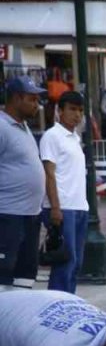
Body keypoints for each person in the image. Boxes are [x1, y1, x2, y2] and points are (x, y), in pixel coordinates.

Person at [39, 92, 90, 294]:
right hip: (62, 208)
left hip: (79, 207)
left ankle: (69, 304)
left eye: (80, 110)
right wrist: (56, 208)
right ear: (60, 111)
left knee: (75, 264)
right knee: (64, 263)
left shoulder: (75, 138)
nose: (76, 115)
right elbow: (49, 173)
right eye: (71, 109)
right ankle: (57, 306)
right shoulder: (52, 136)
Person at [0, 75, 47, 292]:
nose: (37, 105)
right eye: (32, 99)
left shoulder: (24, 127)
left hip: (30, 215)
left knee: (26, 274)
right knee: (3, 273)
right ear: (17, 98)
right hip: (7, 215)